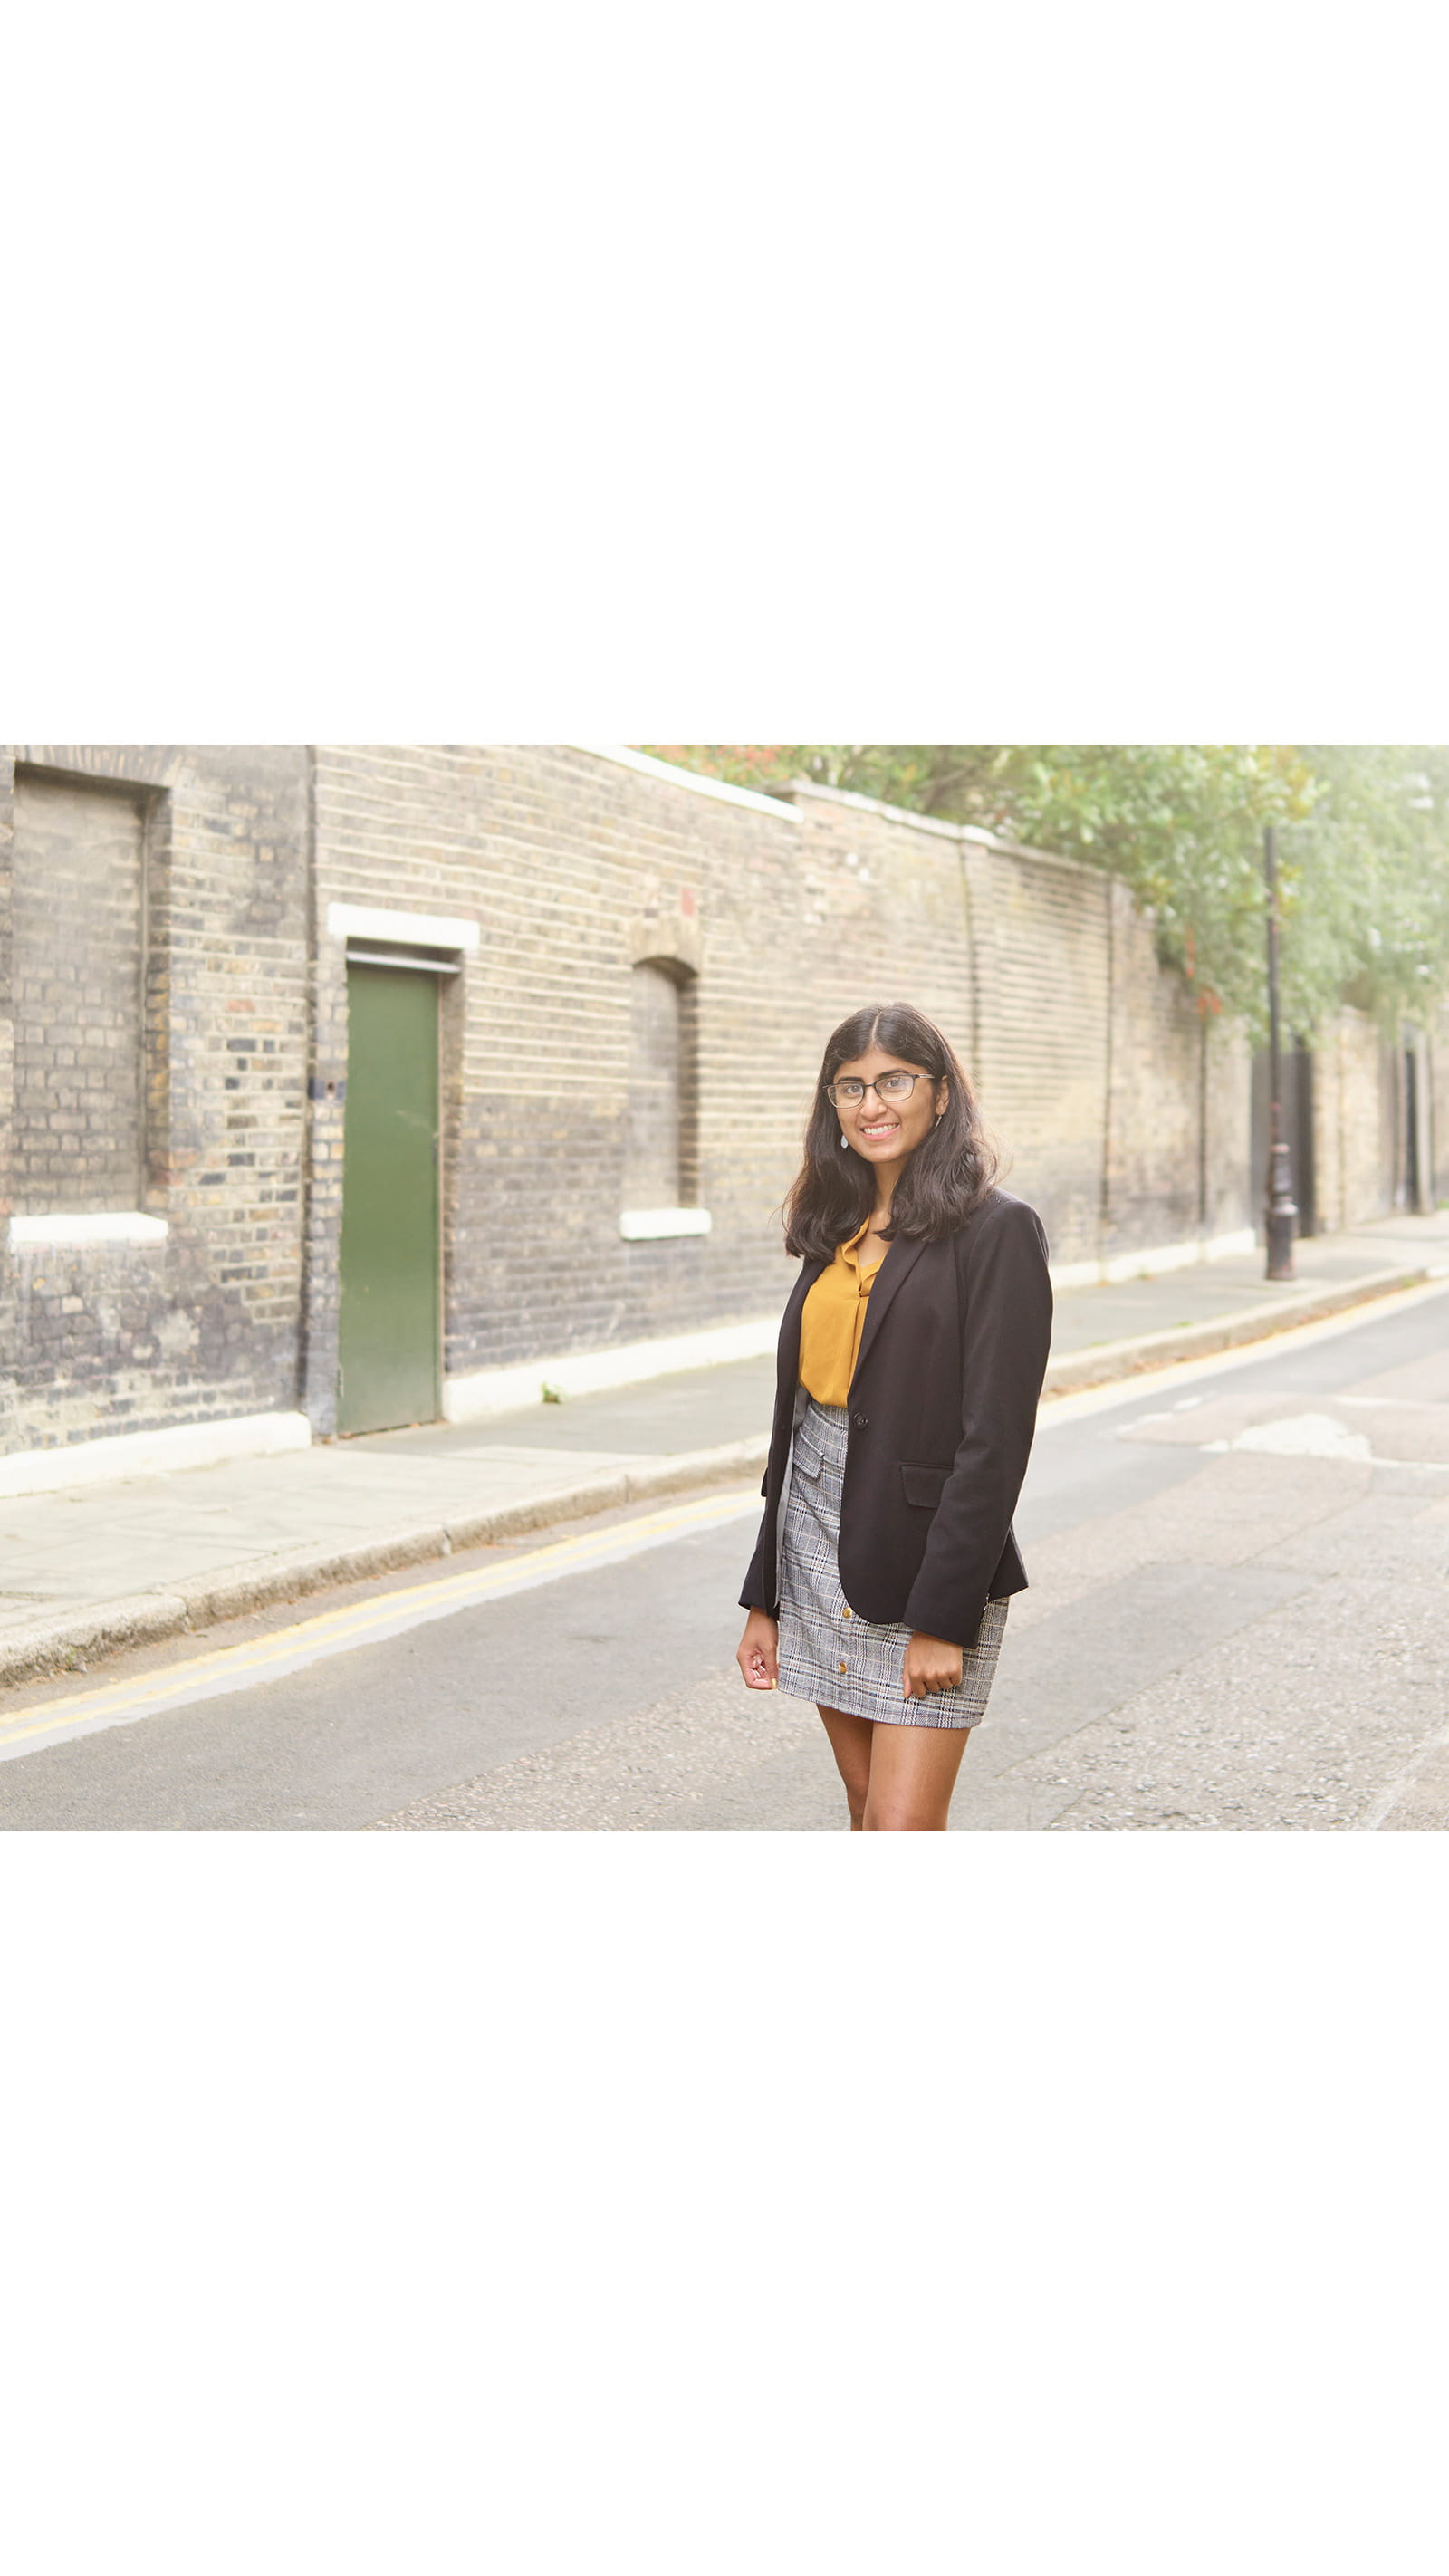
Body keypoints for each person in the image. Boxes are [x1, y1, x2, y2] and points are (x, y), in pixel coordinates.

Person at [736, 1002, 1052, 1832]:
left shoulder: (997, 1231)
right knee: (865, 1809)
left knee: (902, 1828)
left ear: (940, 1096)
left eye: (894, 1082)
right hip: (813, 1541)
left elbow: (994, 1445)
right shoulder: (831, 1227)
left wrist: (942, 1620)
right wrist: (763, 1595)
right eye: (850, 1087)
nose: (872, 1104)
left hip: (922, 1562)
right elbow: (797, 1425)